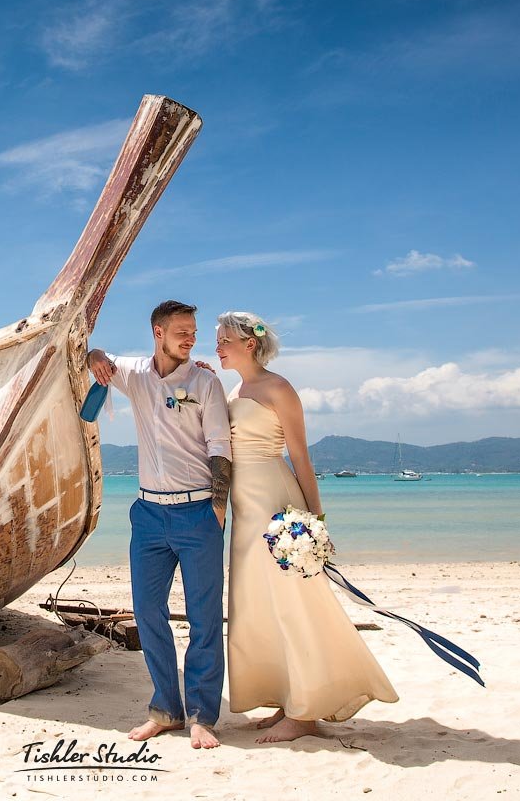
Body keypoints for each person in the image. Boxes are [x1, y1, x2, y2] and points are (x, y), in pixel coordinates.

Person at [215, 310, 398, 744]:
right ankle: (287, 699)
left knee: (293, 604)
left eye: (223, 340)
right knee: (258, 606)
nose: (217, 346)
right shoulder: (234, 388)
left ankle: (305, 712)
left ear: (249, 343)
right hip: (245, 511)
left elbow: (301, 459)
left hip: (275, 505)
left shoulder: (279, 388)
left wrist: (316, 522)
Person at [87, 299, 232, 749]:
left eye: (193, 332)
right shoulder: (135, 374)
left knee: (204, 618)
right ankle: (166, 708)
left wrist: (218, 507)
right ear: (158, 333)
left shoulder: (205, 382)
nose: (190, 339)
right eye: (181, 332)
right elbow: (98, 357)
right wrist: (95, 359)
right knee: (148, 613)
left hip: (197, 512)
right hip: (148, 514)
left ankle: (203, 715)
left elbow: (220, 448)